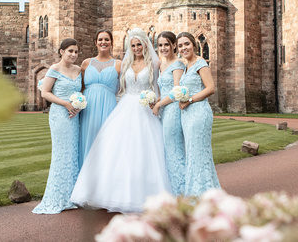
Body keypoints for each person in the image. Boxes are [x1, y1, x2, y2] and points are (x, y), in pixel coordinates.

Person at [71, 28, 171, 213]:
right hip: (125, 108)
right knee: (117, 151)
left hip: (145, 110)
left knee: (144, 151)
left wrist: (155, 103)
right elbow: (120, 88)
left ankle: (144, 194)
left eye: (139, 44)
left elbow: (159, 89)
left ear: (145, 44)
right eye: (133, 45)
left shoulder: (155, 64)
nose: (136, 48)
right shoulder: (125, 65)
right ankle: (111, 193)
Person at [33, 38, 82, 214]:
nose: (73, 55)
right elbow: (45, 93)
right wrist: (66, 104)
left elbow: (80, 91)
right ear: (61, 51)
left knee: (73, 154)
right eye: (70, 51)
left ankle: (72, 196)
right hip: (60, 115)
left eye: (76, 51)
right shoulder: (54, 69)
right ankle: (58, 197)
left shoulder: (78, 69)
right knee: (61, 154)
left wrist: (78, 104)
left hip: (74, 115)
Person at [177, 32, 221, 196]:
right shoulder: (185, 65)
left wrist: (189, 100)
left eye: (186, 44)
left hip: (198, 112)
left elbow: (210, 88)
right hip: (187, 115)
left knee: (198, 154)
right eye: (180, 45)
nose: (184, 48)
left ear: (194, 45)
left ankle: (200, 195)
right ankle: (204, 193)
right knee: (193, 154)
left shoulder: (200, 63)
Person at [78, 30, 121, 167]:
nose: (104, 42)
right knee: (87, 140)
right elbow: (80, 88)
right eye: (100, 39)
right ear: (95, 42)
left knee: (106, 142)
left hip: (108, 107)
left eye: (107, 39)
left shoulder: (119, 64)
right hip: (88, 109)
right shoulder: (86, 63)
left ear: (112, 43)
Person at [152, 31, 186, 196]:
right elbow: (165, 91)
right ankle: (173, 190)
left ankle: (182, 192)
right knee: (167, 151)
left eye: (167, 44)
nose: (163, 48)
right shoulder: (162, 65)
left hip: (173, 110)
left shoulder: (178, 64)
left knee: (174, 151)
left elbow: (176, 91)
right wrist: (156, 99)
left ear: (174, 45)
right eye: (160, 45)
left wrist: (159, 103)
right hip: (164, 110)